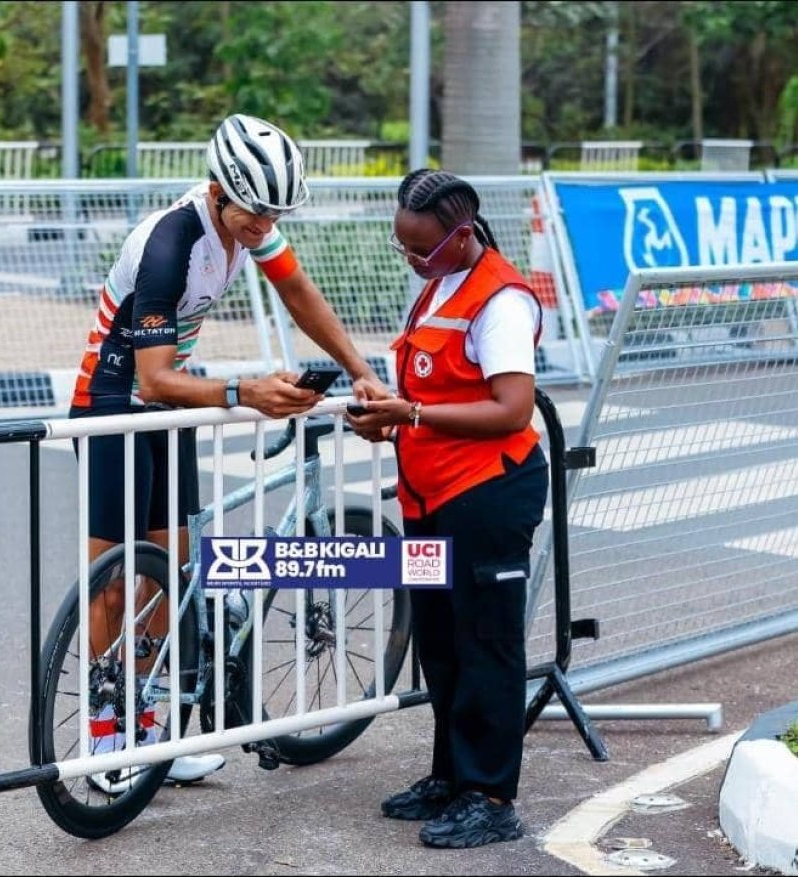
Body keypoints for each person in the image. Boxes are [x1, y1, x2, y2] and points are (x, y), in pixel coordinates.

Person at [70, 113, 389, 787]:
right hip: (111, 406)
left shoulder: (252, 227)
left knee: (172, 578)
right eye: (255, 212)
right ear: (218, 189)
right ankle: (105, 739)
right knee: (115, 583)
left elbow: (299, 294)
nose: (265, 226)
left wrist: (358, 367)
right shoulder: (171, 242)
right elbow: (152, 375)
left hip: (167, 409)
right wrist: (246, 390)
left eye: (276, 213)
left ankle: (148, 730)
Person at [346, 169, 548, 849]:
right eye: (403, 247)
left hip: (488, 495)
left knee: (486, 641)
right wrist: (390, 420)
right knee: (440, 637)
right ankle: (450, 775)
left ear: (461, 236)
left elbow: (510, 408)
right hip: (431, 496)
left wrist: (414, 412)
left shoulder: (502, 302)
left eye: (421, 249)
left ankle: (490, 795)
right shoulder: (439, 286)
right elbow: (426, 398)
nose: (411, 260)